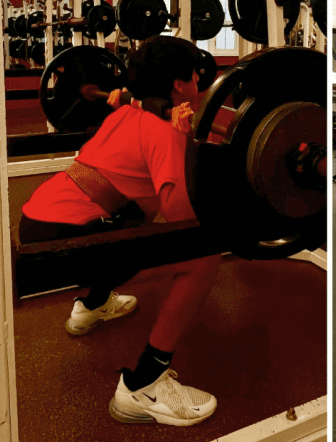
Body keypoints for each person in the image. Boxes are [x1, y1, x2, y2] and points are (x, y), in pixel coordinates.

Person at [19, 36, 219, 427]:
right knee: (202, 255)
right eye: (195, 74)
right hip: (68, 243)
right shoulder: (162, 132)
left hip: (38, 221)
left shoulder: (124, 116)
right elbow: (180, 224)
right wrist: (180, 141)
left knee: (133, 210)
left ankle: (91, 306)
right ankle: (144, 385)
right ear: (179, 85)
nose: (198, 80)